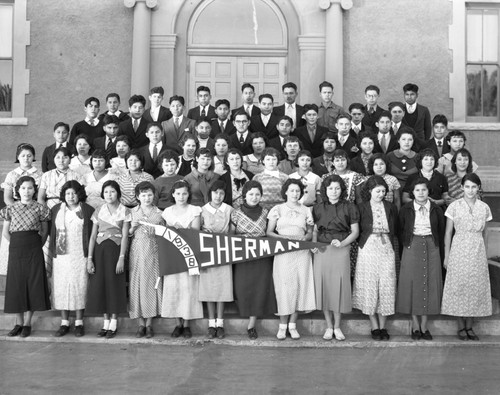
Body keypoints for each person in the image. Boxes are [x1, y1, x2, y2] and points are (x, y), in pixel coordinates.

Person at [441, 173, 492, 341]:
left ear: (478, 188)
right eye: (467, 186)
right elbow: (448, 233)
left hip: (477, 250)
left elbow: (485, 233)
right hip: (459, 249)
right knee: (459, 287)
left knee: (475, 288)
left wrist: (484, 253)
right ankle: (460, 326)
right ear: (462, 187)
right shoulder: (454, 206)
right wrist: (447, 255)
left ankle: (470, 326)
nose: (470, 190)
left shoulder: (484, 207)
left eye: (474, 187)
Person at [2, 176, 51, 338]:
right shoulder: (10, 208)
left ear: (34, 190)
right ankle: (18, 322)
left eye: (30, 188)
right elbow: (6, 233)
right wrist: (17, 242)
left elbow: (44, 232)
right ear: (18, 190)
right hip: (16, 248)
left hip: (34, 248)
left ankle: (28, 323)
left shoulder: (41, 208)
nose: (27, 191)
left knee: (33, 283)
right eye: (23, 188)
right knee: (17, 284)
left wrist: (36, 244)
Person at [266, 179, 315, 340]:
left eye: (297, 191)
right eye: (292, 190)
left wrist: (305, 238)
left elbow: (309, 231)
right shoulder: (277, 209)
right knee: (285, 286)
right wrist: (284, 238)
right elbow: (269, 232)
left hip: (301, 252)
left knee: (300, 285)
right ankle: (282, 325)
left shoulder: (306, 210)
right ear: (285, 191)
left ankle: (293, 325)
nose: (295, 194)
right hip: (284, 252)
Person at [312, 174, 359, 341]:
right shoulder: (317, 207)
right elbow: (315, 230)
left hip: (341, 249)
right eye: (330, 188)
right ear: (325, 189)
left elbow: (355, 232)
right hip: (322, 250)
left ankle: (338, 326)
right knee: (324, 286)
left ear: (342, 190)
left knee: (338, 286)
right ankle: (328, 326)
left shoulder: (349, 206)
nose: (334, 191)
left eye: (337, 188)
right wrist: (314, 245)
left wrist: (344, 243)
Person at [397, 178, 445, 341]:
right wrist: (407, 244)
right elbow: (400, 229)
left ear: (428, 191)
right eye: (417, 190)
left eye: (424, 190)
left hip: (432, 245)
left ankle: (424, 325)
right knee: (414, 284)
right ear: (412, 193)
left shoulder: (436, 209)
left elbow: (441, 229)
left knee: (429, 284)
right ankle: (415, 325)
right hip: (412, 245)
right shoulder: (406, 209)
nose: (421, 193)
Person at [352, 176, 397, 341]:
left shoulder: (390, 207)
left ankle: (383, 326)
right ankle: (374, 325)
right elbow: (357, 230)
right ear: (370, 191)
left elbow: (395, 228)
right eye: (378, 191)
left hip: (386, 247)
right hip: (368, 246)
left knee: (386, 283)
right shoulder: (361, 207)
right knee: (370, 283)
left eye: (383, 191)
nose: (381, 194)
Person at [231, 180, 277, 339]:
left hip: (261, 257)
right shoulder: (235, 212)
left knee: (259, 289)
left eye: (258, 194)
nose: (254, 197)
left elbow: (271, 232)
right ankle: (243, 314)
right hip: (243, 257)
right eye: (251, 194)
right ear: (244, 196)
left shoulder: (267, 212)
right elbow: (231, 235)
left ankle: (252, 325)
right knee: (243, 287)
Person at [86, 180, 130, 338]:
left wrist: (121, 258)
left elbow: (125, 236)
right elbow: (92, 236)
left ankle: (114, 323)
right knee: (101, 285)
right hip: (99, 251)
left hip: (116, 251)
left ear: (118, 192)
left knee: (114, 285)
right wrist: (90, 258)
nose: (109, 195)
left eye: (112, 191)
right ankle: (105, 323)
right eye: (106, 192)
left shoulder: (124, 211)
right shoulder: (98, 210)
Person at [50, 181, 94, 338]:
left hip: (80, 254)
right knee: (62, 287)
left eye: (74, 193)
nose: (71, 196)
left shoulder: (88, 210)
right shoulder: (56, 209)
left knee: (79, 286)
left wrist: (90, 256)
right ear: (64, 195)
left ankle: (79, 323)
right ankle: (64, 323)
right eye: (68, 193)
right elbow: (52, 232)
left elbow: (92, 234)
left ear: (79, 194)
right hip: (62, 255)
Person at [161, 180, 204, 338]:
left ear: (189, 194)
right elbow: (165, 233)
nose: (181, 196)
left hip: (189, 254)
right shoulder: (167, 212)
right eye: (178, 193)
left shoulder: (194, 210)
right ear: (173, 194)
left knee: (188, 288)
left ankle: (187, 324)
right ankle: (177, 323)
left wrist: (177, 230)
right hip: (172, 254)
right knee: (174, 288)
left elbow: (194, 232)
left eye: (184, 193)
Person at [128, 182, 164, 339]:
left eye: (149, 194)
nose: (147, 198)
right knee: (137, 284)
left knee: (151, 284)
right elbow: (126, 234)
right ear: (137, 196)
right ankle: (140, 324)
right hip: (136, 251)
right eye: (143, 195)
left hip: (154, 250)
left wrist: (157, 231)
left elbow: (165, 234)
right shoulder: (131, 212)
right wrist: (132, 228)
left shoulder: (160, 213)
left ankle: (149, 324)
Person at [200, 180, 234, 339]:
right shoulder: (202, 210)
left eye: (221, 193)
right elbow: (198, 231)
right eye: (215, 193)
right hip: (207, 252)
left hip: (224, 250)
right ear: (210, 194)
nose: (218, 196)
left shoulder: (229, 210)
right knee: (208, 287)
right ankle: (210, 323)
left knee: (222, 287)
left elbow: (232, 231)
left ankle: (220, 323)